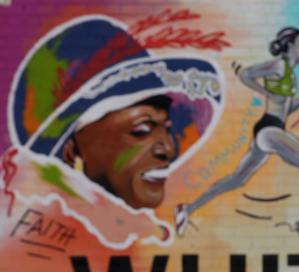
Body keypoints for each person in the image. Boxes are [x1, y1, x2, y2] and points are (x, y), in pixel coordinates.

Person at [2, 16, 223, 247]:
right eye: (141, 130)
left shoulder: (135, 240)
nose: (168, 149)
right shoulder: (38, 246)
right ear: (71, 152)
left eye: (167, 129)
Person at [174, 27, 299, 240]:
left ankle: (187, 209)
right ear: (289, 45)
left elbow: (285, 110)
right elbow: (246, 74)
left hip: (272, 130)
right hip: (268, 129)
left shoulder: (291, 75)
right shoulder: (279, 65)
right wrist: (265, 92)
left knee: (237, 180)